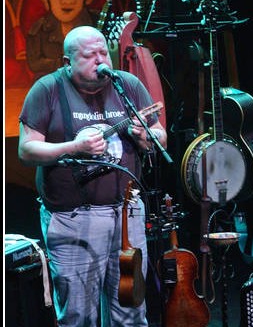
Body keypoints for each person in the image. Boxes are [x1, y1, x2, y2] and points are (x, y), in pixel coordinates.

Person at [18, 25, 167, 326]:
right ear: (67, 62)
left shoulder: (127, 84)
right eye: (89, 55)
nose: (100, 60)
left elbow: (160, 136)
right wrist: (75, 146)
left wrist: (145, 136)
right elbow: (27, 149)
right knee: (78, 315)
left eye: (103, 52)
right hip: (73, 219)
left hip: (128, 215)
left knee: (131, 310)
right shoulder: (48, 89)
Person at [26, 0, 99, 81]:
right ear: (46, 0)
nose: (68, 1)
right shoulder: (40, 29)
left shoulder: (97, 23)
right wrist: (66, 63)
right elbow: (34, 63)